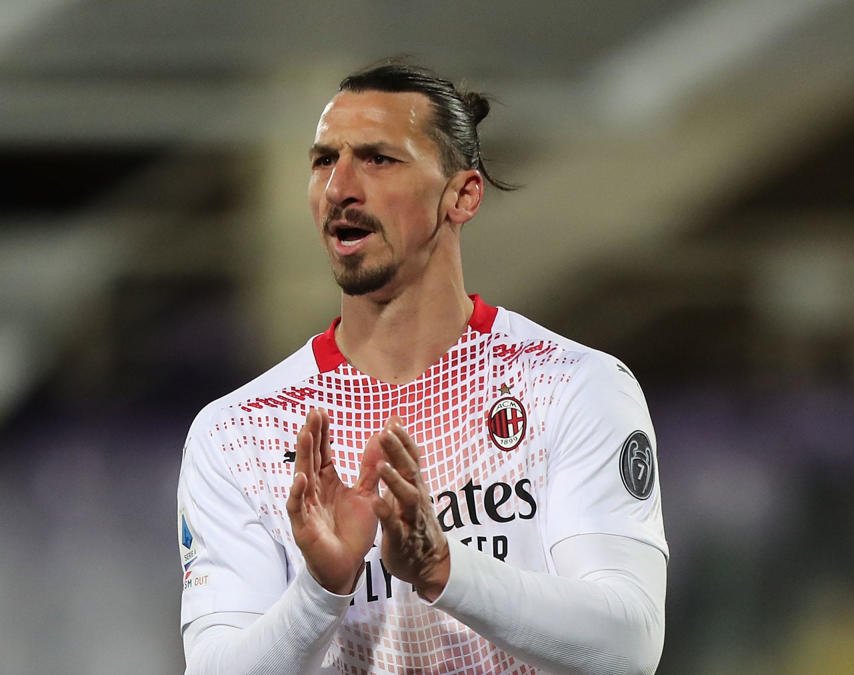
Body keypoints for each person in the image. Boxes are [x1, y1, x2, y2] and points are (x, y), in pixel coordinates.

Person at [177, 61, 668, 674]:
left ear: (463, 195)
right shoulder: (239, 431)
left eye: (378, 159)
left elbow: (628, 645)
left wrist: (442, 567)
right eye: (325, 160)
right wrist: (321, 590)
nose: (339, 188)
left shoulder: (569, 386)